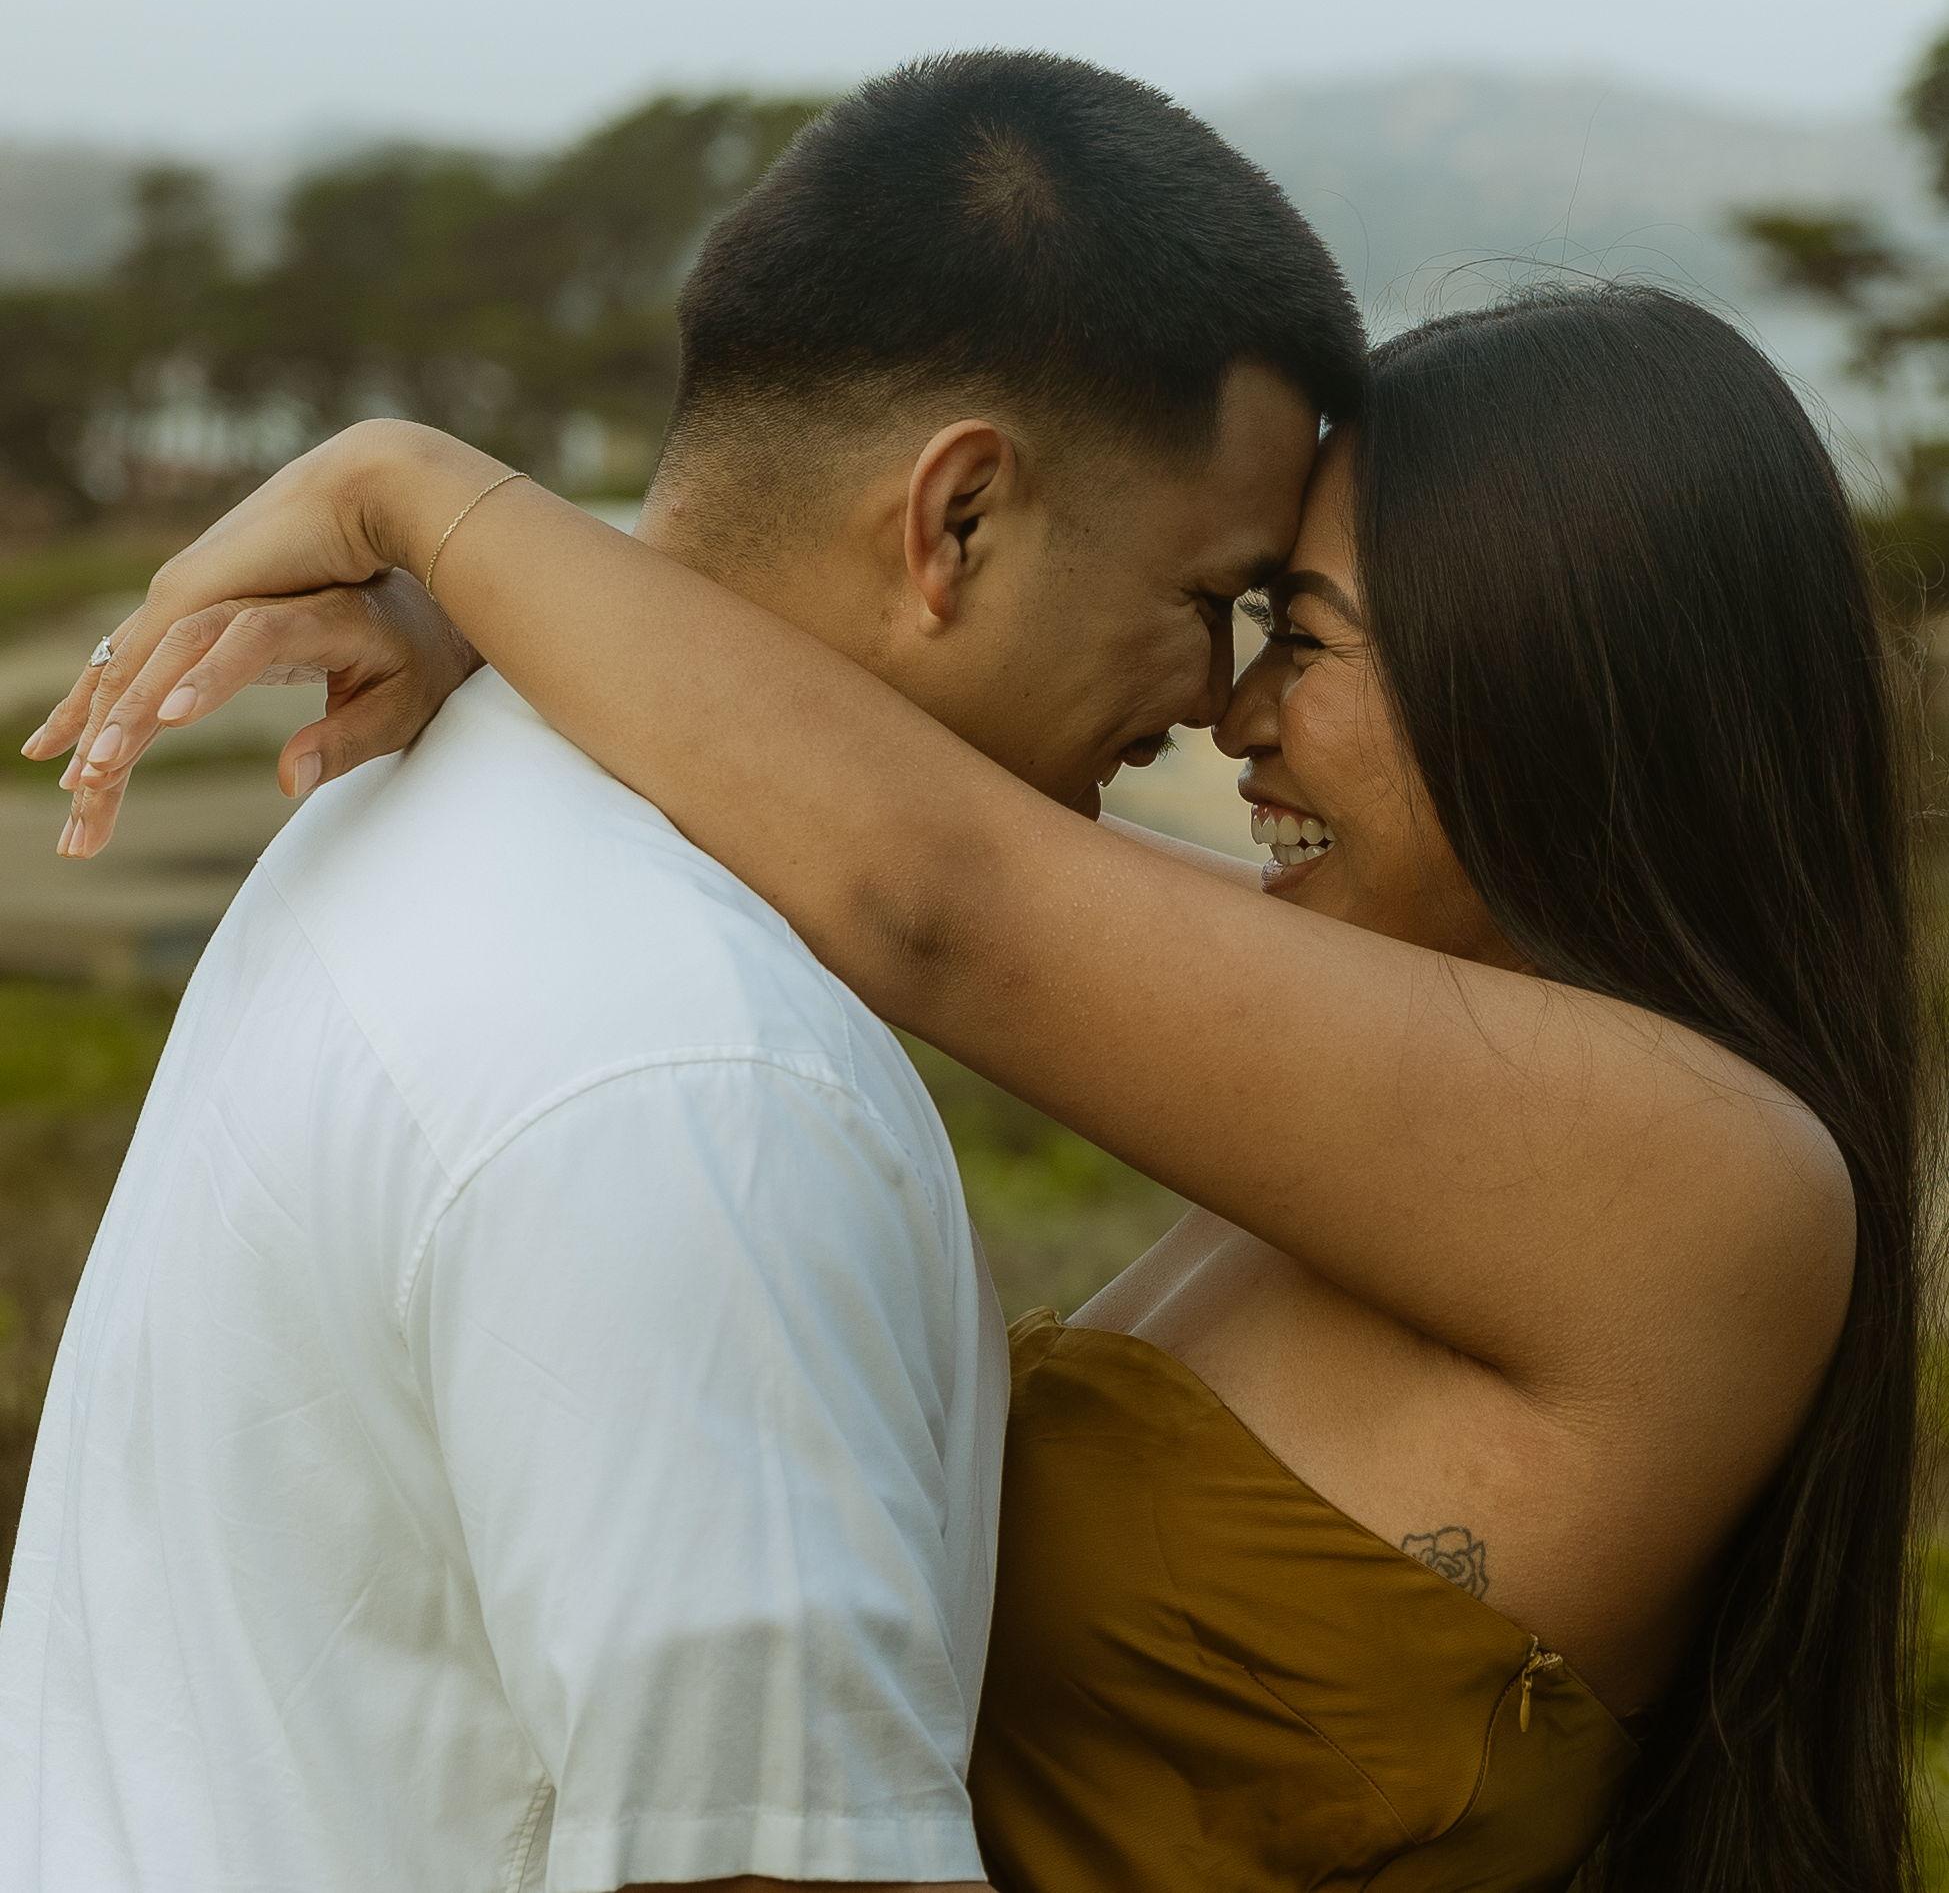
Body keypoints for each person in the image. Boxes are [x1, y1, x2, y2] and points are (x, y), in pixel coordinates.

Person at [47, 280, 1936, 1893]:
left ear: (1560, 676)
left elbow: (935, 887)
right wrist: (496, 637)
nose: (1234, 714)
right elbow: (857, 792)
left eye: (1302, 635)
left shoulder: (1708, 1178)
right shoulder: (1427, 1068)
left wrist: (419, 490)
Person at [0, 53, 1366, 1893]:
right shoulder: (701, 1081)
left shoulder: (447, 795)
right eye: (1207, 598)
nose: (1215, 694)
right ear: (957, 518)